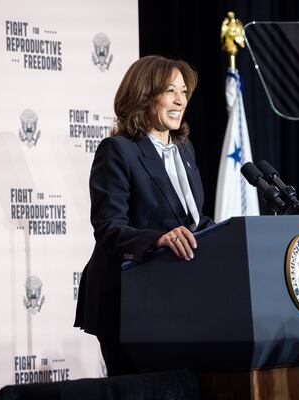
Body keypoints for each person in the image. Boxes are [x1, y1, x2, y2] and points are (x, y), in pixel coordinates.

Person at [74, 55, 215, 376]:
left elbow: (194, 221)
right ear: (144, 95)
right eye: (170, 91)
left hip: (172, 297)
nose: (180, 100)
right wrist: (157, 240)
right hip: (126, 300)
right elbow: (109, 228)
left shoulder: (185, 150)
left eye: (184, 92)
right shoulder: (118, 150)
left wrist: (229, 236)